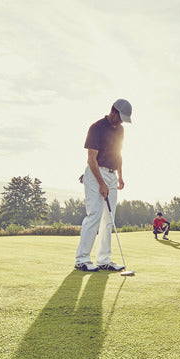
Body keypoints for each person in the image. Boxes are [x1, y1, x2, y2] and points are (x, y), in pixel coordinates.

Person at [75, 98, 132, 272]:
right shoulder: (96, 128)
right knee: (95, 215)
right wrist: (101, 183)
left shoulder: (120, 130)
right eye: (120, 117)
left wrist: (120, 177)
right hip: (95, 173)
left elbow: (119, 154)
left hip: (112, 175)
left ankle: (103, 259)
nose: (121, 121)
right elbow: (91, 158)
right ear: (113, 111)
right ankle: (82, 259)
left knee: (109, 219)